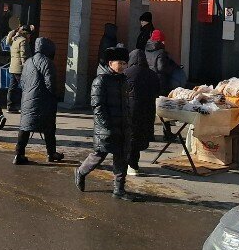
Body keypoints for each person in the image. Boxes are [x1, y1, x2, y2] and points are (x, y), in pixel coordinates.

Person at [75, 46, 142, 202]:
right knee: (99, 155)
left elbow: (126, 103)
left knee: (121, 157)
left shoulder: (123, 80)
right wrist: (106, 126)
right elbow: (97, 106)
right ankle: (81, 172)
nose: (124, 66)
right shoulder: (101, 80)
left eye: (126, 63)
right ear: (111, 63)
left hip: (123, 126)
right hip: (107, 127)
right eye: (121, 63)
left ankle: (119, 189)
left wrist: (129, 122)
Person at [14, 37, 64, 165]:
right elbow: (51, 84)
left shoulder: (28, 62)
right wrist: (55, 96)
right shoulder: (47, 62)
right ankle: (51, 153)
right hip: (44, 101)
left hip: (27, 100)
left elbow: (22, 82)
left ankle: (19, 154)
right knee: (49, 128)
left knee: (25, 127)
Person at [124, 46, 159, 177]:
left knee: (130, 137)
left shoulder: (126, 73)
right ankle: (134, 164)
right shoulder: (152, 74)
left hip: (130, 110)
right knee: (140, 135)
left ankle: (131, 165)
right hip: (148, 110)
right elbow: (157, 91)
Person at [144, 29, 178, 95]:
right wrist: (172, 69)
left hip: (148, 78)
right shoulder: (161, 52)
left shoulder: (146, 50)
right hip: (159, 80)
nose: (164, 42)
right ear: (160, 40)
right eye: (163, 40)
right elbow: (161, 68)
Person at [6, 23, 30, 114]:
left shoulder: (15, 39)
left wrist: (13, 32)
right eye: (29, 34)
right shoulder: (23, 41)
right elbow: (23, 55)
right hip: (20, 68)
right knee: (26, 87)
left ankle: (10, 106)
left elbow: (8, 41)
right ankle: (26, 106)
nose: (29, 36)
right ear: (25, 33)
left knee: (12, 87)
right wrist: (26, 66)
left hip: (13, 67)